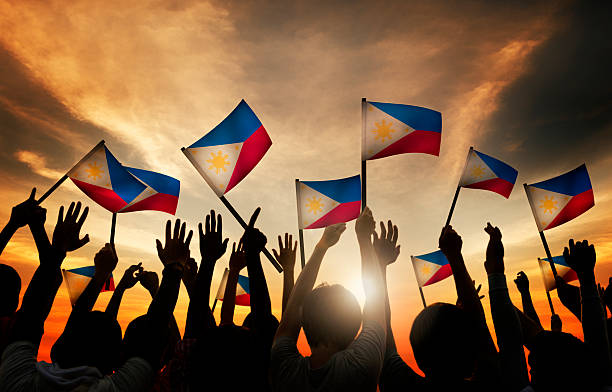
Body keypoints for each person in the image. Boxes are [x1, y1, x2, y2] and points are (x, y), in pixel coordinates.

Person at [270, 207, 387, 392]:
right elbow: (376, 300)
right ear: (355, 326)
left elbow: (292, 310)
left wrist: (321, 247)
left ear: (304, 322)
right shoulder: (362, 368)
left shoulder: (285, 369)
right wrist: (364, 239)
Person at [380, 224, 501, 392]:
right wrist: (454, 256)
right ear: (468, 347)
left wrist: (379, 267)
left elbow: (382, 336)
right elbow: (478, 325)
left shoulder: (403, 385)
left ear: (418, 355)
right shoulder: (491, 383)